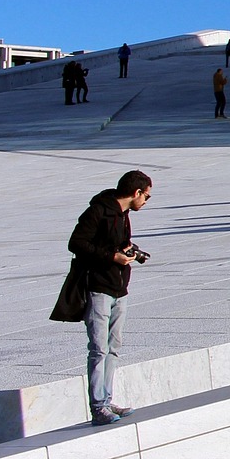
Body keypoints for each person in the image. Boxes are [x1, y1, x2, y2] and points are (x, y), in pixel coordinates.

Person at [69, 170, 153, 425]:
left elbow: (112, 244)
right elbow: (76, 243)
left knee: (113, 348)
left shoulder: (123, 215)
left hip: (119, 288)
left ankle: (106, 400)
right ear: (136, 192)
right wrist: (111, 256)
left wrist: (127, 252)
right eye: (146, 196)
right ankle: (98, 407)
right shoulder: (98, 211)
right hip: (98, 288)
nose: (146, 202)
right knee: (99, 349)